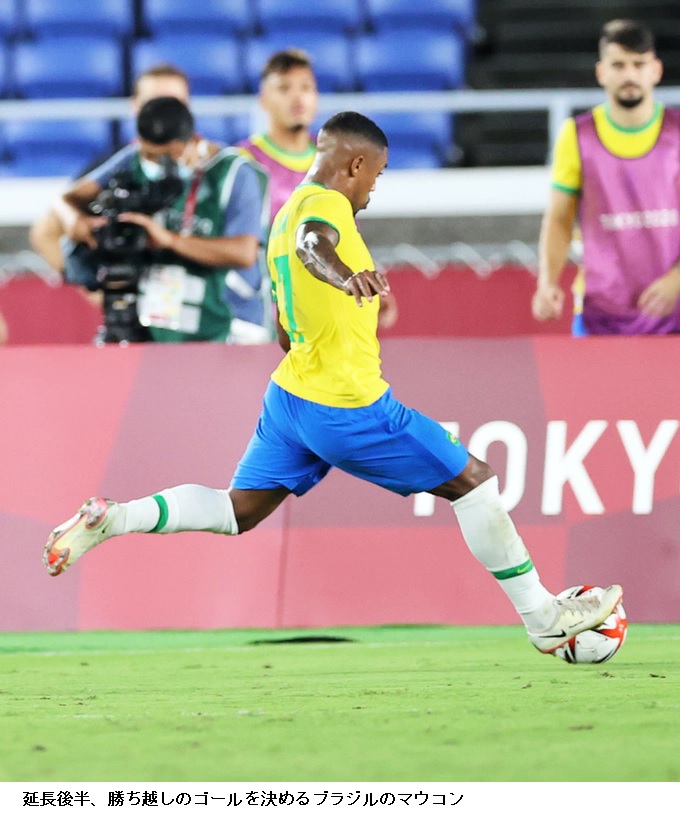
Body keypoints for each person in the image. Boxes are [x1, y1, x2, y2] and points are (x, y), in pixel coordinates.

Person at [43, 111, 622, 655]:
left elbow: (283, 326)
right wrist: (345, 276)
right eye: (378, 174)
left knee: (237, 510)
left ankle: (116, 517)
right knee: (474, 483)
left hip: (291, 397)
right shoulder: (327, 206)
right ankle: (544, 619)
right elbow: (313, 245)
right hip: (346, 404)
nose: (374, 188)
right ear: (356, 164)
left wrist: (335, 312)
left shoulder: (282, 214)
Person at [51, 96, 267, 343]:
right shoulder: (134, 159)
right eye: (147, 154)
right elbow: (65, 199)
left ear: (194, 141)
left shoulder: (236, 174)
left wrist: (169, 240)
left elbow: (244, 253)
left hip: (229, 326)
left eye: (165, 157)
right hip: (161, 323)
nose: (152, 163)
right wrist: (75, 221)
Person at [532, 19, 680, 336]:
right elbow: (559, 219)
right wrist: (548, 282)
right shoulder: (577, 136)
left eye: (639, 64)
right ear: (601, 72)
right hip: (600, 316)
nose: (629, 75)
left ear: (656, 70)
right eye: (618, 65)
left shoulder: (677, 133)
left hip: (673, 314)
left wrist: (677, 279)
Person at [238, 47, 398, 329]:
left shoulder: (337, 158)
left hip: (324, 311)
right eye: (284, 88)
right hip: (261, 314)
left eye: (306, 87)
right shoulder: (245, 162)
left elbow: (346, 231)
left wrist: (368, 277)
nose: (297, 97)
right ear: (263, 100)